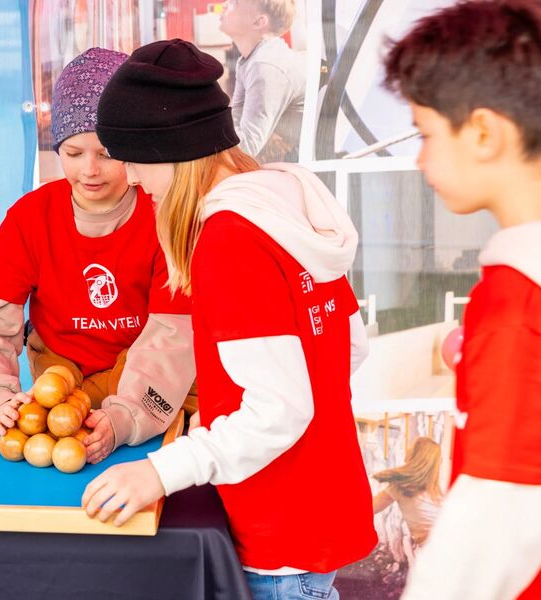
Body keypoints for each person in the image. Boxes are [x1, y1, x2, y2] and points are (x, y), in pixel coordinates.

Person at [85, 39, 375, 600]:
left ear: (171, 149)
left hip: (278, 541)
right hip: (321, 512)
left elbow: (277, 410)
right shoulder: (282, 210)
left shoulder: (227, 241)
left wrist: (161, 471)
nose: (130, 176)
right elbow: (349, 348)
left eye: (133, 157)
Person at [0, 48, 196, 465]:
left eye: (107, 154)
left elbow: (172, 339)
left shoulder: (164, 214)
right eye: (73, 154)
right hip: (61, 381)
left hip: (145, 378)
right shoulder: (29, 218)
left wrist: (126, 418)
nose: (89, 170)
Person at [382, 1, 541, 598]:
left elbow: (494, 516)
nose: (420, 158)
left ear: (483, 132)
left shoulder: (516, 304)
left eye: (426, 134)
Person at [220, 0, 305, 163]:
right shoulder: (248, 61)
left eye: (235, 3)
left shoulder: (265, 65)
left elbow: (246, 147)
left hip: (305, 164)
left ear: (259, 21)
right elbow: (235, 121)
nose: (225, 5)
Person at [372, 437, 443, 546]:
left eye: (411, 447)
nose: (407, 449)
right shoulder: (435, 491)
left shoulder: (402, 486)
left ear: (417, 455)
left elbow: (368, 509)